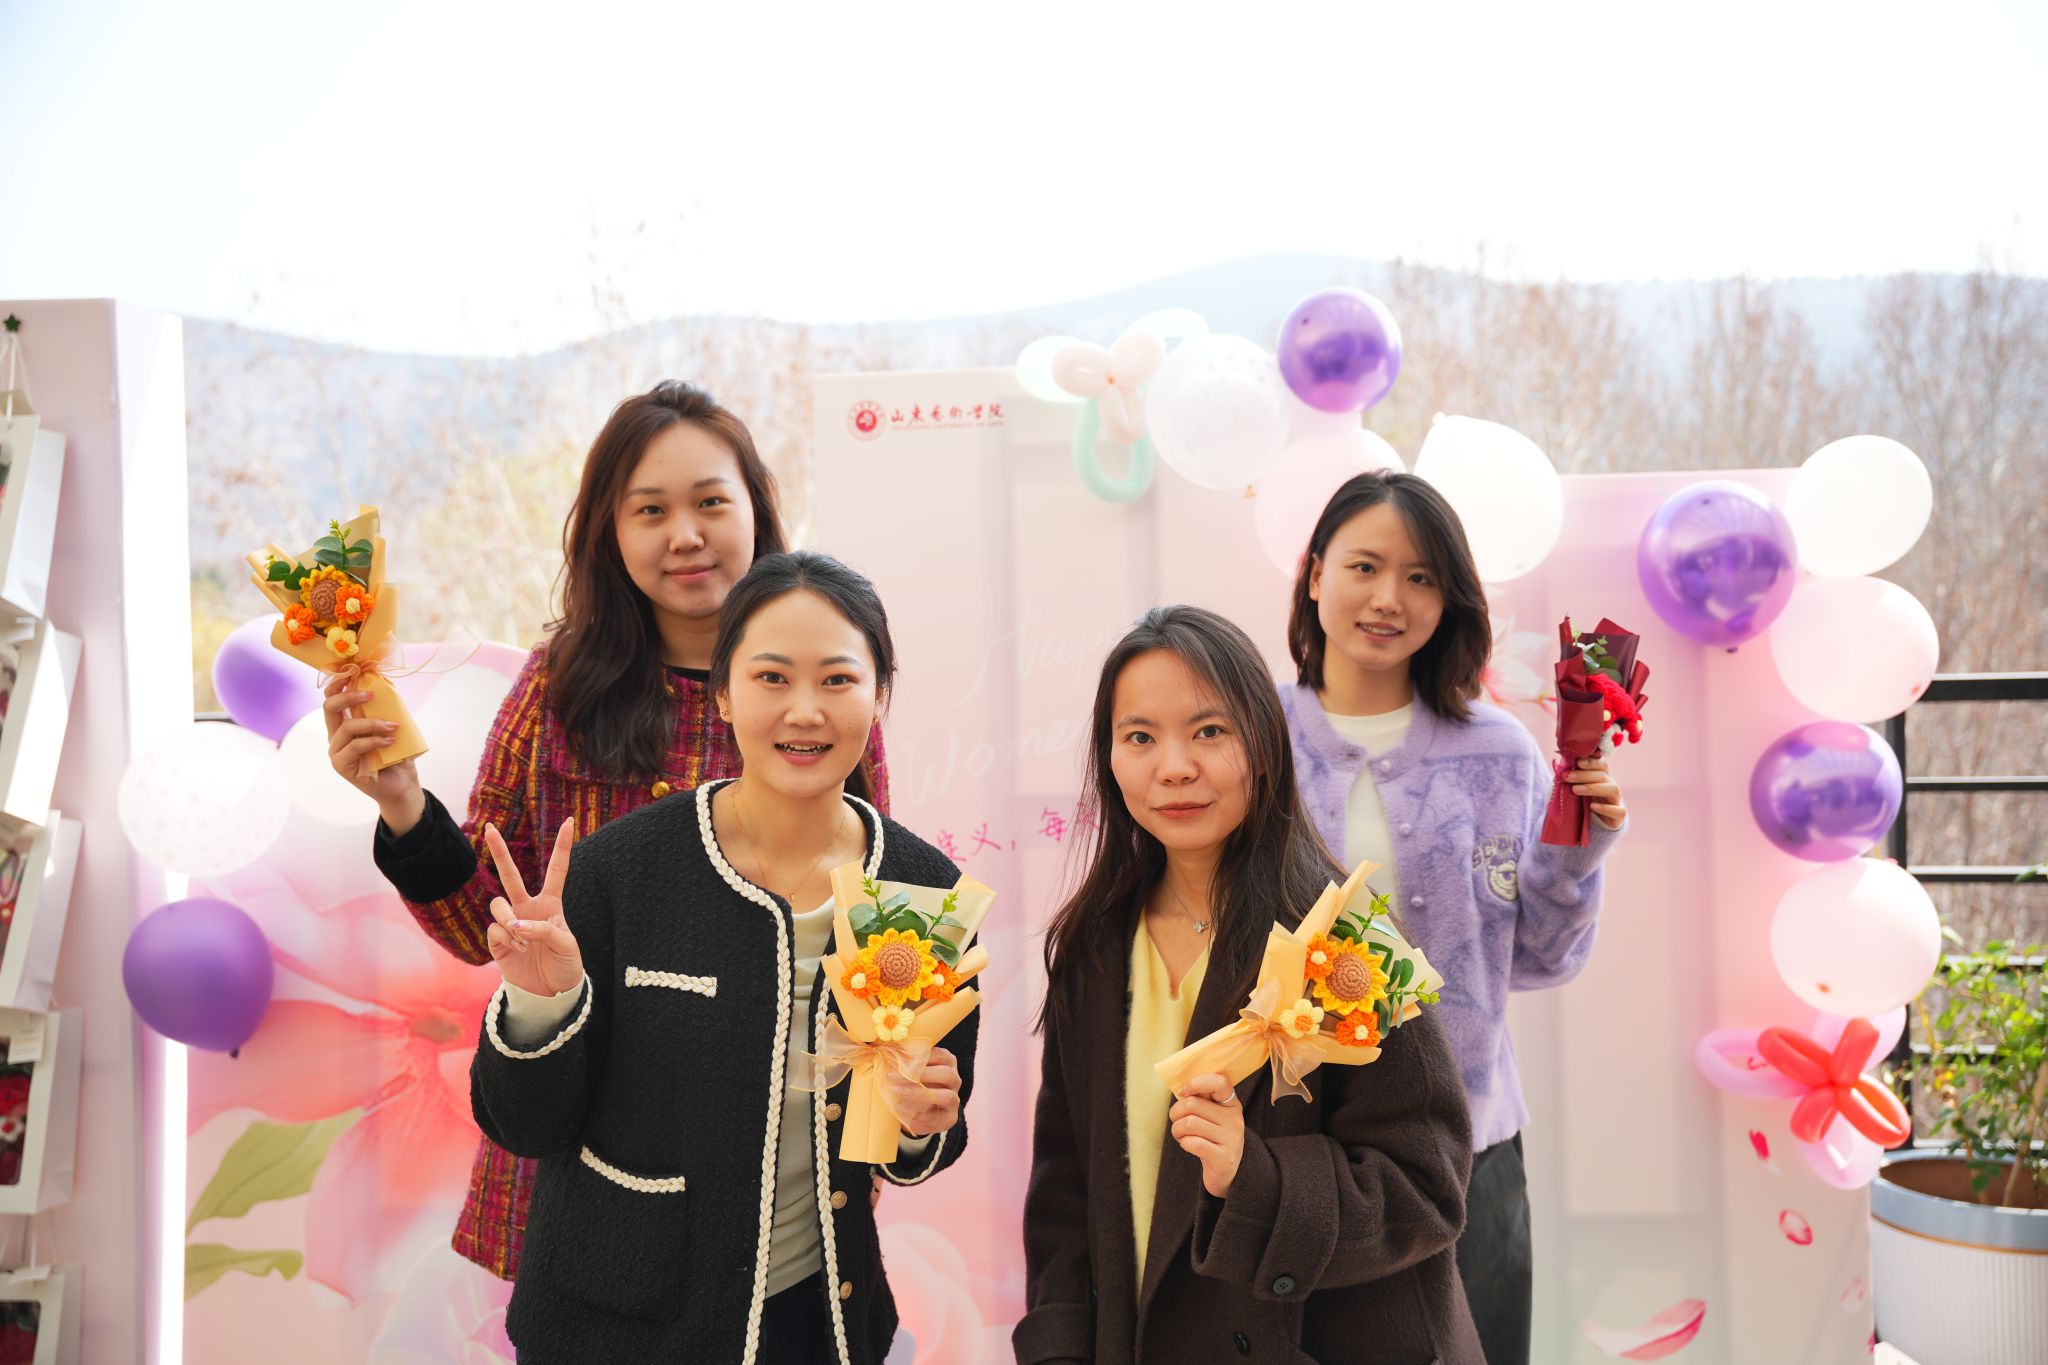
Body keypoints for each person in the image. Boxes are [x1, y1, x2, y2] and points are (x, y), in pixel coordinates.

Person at [324, 382, 890, 1282]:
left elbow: (872, 917)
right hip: (578, 1120)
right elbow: (484, 923)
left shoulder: (821, 697)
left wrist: (878, 1122)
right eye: (650, 510)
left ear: (756, 508)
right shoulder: (563, 684)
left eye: (711, 502)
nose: (685, 535)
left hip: (767, 1135)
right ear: (609, 531)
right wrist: (403, 806)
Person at [472, 550, 974, 1363]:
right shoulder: (618, 870)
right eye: (772, 677)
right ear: (724, 693)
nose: (804, 711)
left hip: (815, 1325)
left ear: (879, 694)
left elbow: (913, 1139)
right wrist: (541, 1003)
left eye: (838, 680)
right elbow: (527, 1127)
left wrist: (920, 1126)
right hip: (614, 1329)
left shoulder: (919, 891)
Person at [1016, 605, 1482, 1365]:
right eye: (1140, 737)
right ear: (1109, 759)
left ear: (1263, 747)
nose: (1174, 767)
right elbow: (1065, 1193)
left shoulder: (1343, 939)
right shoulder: (1093, 946)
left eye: (1209, 731)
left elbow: (1425, 1186)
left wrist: (1254, 1177)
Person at [1281, 470, 1628, 1365]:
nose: (1388, 598)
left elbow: (1540, 958)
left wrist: (1578, 851)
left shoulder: (1499, 752)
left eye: (1422, 577)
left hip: (1468, 1147)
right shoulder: (1253, 739)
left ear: (1449, 600)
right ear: (1315, 574)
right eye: (1365, 566)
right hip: (1293, 1146)